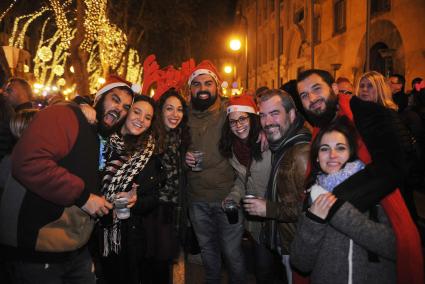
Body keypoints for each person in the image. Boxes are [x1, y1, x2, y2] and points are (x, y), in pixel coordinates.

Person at [0, 75, 134, 284]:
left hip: (74, 251)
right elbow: (27, 162)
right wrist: (83, 197)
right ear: (98, 98)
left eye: (126, 107)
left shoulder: (99, 136)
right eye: (115, 100)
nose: (120, 109)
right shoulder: (66, 114)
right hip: (37, 252)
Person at [296, 69, 423, 284]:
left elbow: (393, 165)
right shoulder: (318, 130)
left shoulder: (367, 113)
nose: (312, 98)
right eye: (304, 95)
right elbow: (302, 258)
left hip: (376, 218)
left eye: (316, 89)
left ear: (334, 88)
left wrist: (334, 200)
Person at [291, 116, 397, 283]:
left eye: (340, 148)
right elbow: (300, 263)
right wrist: (314, 221)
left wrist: (338, 212)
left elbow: (396, 248)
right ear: (317, 157)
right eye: (324, 149)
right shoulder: (313, 194)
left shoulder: (373, 190)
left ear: (351, 153)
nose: (332, 155)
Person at [185, 60, 246, 283]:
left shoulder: (230, 113)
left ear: (216, 87)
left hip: (227, 199)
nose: (202, 89)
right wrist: (183, 158)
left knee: (232, 254)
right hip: (196, 200)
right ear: (190, 89)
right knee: (209, 255)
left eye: (208, 83)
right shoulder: (182, 117)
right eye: (197, 84)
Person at [244, 89, 311, 283]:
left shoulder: (300, 153)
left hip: (298, 246)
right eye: (263, 115)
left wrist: (268, 208)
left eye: (275, 113)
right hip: (287, 241)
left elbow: (312, 210)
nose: (267, 121)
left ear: (291, 115)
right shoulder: (283, 144)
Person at [97, 95, 166, 284]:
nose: (140, 119)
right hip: (96, 229)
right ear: (126, 113)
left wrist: (136, 201)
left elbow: (153, 197)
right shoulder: (102, 143)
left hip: (131, 235)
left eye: (147, 117)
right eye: (136, 112)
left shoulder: (150, 154)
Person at [218, 94, 276, 283]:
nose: (238, 125)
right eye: (233, 121)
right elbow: (243, 181)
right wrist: (233, 197)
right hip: (257, 224)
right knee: (262, 269)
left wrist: (268, 132)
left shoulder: (270, 141)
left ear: (253, 118)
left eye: (242, 118)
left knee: (272, 269)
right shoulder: (234, 149)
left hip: (278, 217)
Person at [356, 71, 424, 219]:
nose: (364, 90)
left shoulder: (386, 115)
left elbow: (403, 151)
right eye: (362, 86)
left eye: (370, 86)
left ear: (380, 89)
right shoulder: (363, 113)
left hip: (391, 183)